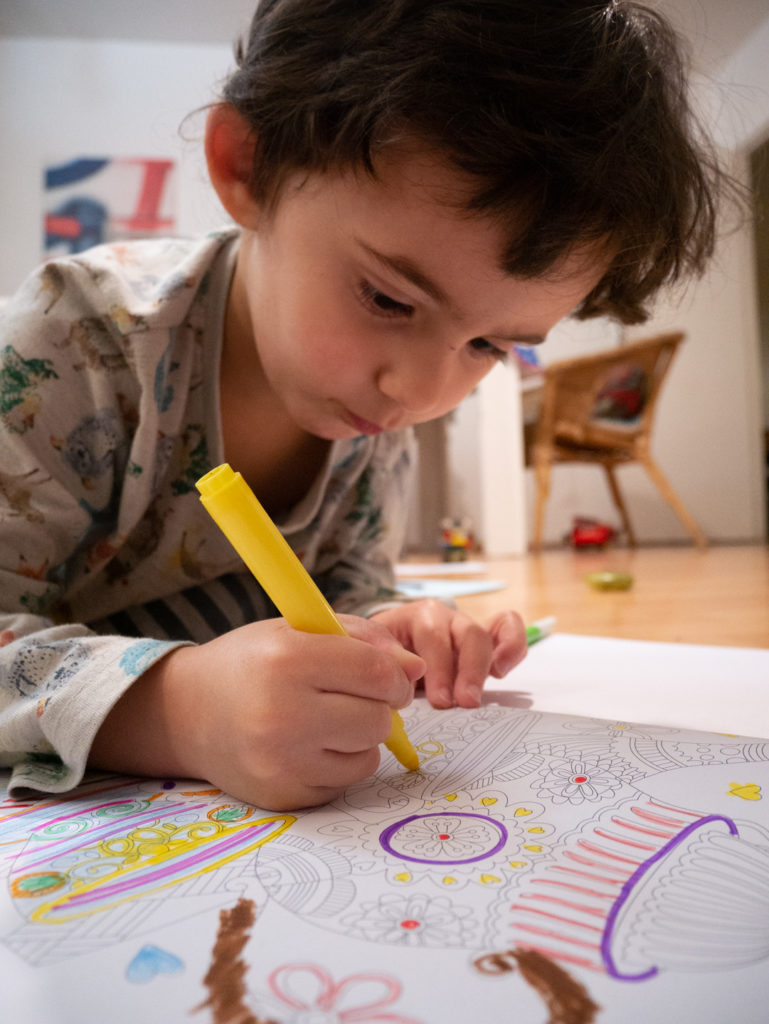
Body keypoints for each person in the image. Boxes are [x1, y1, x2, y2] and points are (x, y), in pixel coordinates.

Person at [0, 0, 726, 811]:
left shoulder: (367, 418)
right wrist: (176, 709)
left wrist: (389, 631)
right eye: (387, 298)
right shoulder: (67, 349)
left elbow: (340, 597)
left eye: (490, 346)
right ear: (247, 166)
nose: (423, 393)